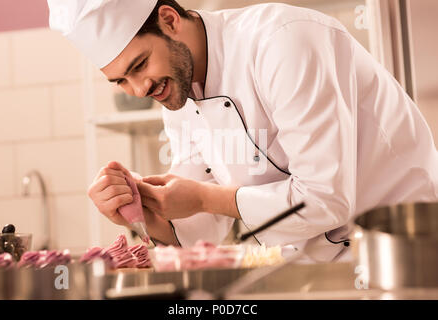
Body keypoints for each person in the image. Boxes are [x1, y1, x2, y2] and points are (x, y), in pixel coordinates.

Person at [48, 0, 438, 263]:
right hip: (310, 266)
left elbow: (324, 200)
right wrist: (143, 210)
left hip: (401, 254)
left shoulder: (281, 42)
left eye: (140, 65)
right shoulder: (177, 91)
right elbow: (204, 226)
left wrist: (202, 197)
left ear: (169, 20)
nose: (139, 89)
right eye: (121, 82)